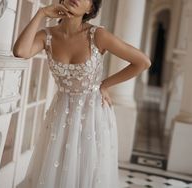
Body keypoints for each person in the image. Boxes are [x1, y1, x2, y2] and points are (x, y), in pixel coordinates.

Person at [13, 0, 151, 187]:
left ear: (91, 8)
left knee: (87, 173)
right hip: (61, 113)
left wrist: (104, 84)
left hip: (93, 114)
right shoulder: (47, 36)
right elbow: (20, 51)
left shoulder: (97, 35)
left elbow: (142, 62)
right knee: (57, 169)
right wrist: (41, 13)